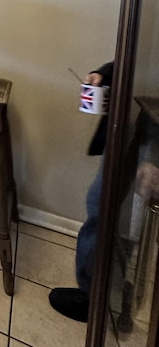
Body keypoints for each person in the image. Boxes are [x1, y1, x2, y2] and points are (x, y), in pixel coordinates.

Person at [49, 61, 113, 323]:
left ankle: (91, 297)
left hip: (144, 132)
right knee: (103, 207)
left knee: (101, 207)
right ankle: (109, 287)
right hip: (126, 127)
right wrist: (103, 74)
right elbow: (128, 61)